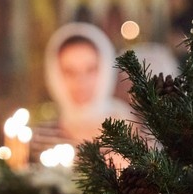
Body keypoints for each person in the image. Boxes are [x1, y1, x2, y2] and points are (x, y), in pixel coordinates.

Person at [32, 22, 133, 159]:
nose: (80, 81)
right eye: (69, 71)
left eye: (90, 70)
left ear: (105, 71)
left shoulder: (134, 135)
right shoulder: (39, 138)